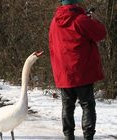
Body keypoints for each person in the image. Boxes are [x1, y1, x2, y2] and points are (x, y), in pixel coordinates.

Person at [48, 0, 106, 140]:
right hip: (82, 72)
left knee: (67, 106)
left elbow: (52, 45)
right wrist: (92, 20)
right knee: (87, 105)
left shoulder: (54, 22)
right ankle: (88, 137)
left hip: (64, 72)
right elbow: (101, 33)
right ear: (76, 3)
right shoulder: (81, 20)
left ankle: (68, 137)